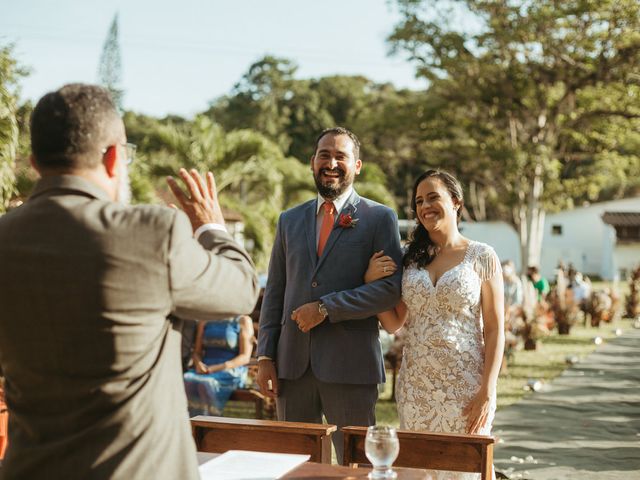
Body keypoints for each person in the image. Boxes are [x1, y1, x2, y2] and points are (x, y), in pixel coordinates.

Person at [0, 84, 259, 480]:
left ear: (34, 162)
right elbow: (242, 289)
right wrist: (211, 226)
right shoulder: (150, 233)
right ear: (113, 157)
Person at [256, 127, 403, 463]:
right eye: (325, 155)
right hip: (291, 367)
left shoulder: (380, 218)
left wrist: (325, 308)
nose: (332, 163)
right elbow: (275, 292)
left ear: (357, 165)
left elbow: (388, 290)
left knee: (358, 466)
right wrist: (265, 356)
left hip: (351, 366)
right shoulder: (288, 220)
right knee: (296, 465)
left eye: (341, 156)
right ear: (312, 162)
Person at [365, 170, 504, 478]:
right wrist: (369, 283)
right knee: (419, 468)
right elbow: (393, 323)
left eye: (433, 197)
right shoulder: (409, 259)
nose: (425, 205)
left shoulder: (482, 256)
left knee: (464, 468)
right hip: (417, 386)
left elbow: (495, 329)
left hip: (467, 386)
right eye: (418, 201)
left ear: (456, 202)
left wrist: (487, 390)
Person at [183, 315, 254, 416]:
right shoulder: (205, 320)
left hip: (230, 369)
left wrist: (217, 368)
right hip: (205, 369)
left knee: (205, 383)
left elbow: (245, 357)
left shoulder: (243, 321)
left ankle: (209, 422)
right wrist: (198, 363)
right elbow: (196, 352)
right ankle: (189, 423)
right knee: (186, 379)